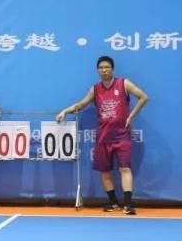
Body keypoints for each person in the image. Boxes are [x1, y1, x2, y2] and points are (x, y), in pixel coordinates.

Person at [56, 56, 148, 215]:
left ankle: (128, 205)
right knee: (105, 171)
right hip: (103, 137)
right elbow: (81, 104)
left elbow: (144, 97)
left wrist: (131, 115)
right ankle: (113, 203)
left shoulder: (123, 83)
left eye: (107, 67)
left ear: (112, 69)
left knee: (125, 169)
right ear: (98, 70)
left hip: (122, 136)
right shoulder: (95, 89)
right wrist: (64, 111)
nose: (104, 70)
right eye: (101, 68)